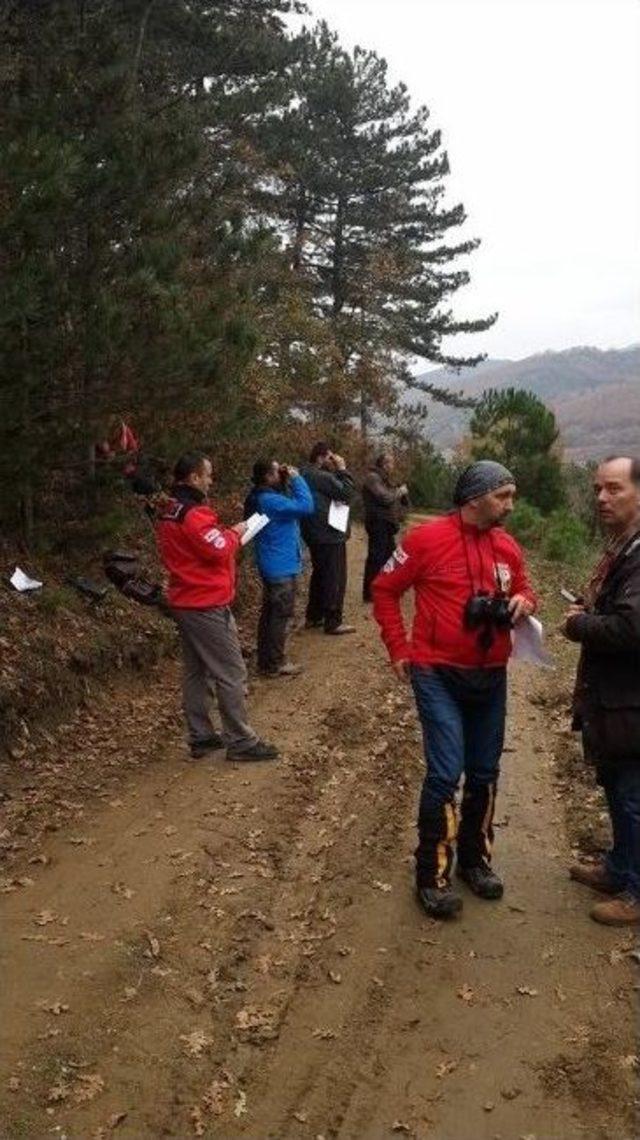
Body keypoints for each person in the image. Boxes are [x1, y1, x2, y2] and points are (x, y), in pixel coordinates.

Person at [372, 460, 537, 919]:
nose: (510, 503)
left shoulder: (507, 546)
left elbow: (525, 588)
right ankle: (431, 874)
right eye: (503, 495)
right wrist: (398, 648)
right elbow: (384, 589)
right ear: (474, 498)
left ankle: (475, 861)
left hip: (491, 675)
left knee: (484, 772)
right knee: (446, 772)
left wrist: (524, 602)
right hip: (437, 672)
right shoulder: (426, 540)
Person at [155, 452, 278, 763]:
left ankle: (202, 735)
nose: (211, 480)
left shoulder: (170, 509)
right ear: (194, 478)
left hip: (185, 599)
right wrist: (236, 532)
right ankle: (240, 740)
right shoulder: (194, 515)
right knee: (231, 671)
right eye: (207, 475)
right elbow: (219, 549)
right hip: (205, 602)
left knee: (196, 671)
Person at [563, 456, 640, 926]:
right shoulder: (625, 548)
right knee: (616, 784)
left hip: (633, 701)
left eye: (614, 489)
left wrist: (579, 625)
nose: (601, 498)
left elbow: (632, 627)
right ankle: (618, 868)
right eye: (597, 489)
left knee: (633, 794)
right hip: (615, 700)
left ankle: (635, 892)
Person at [244, 459, 314, 677]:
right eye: (276, 471)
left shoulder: (260, 497)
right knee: (279, 615)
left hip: (273, 563)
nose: (281, 473)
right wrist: (297, 479)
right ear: (267, 476)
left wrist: (285, 481)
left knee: (270, 614)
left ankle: (266, 661)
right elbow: (306, 507)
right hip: (279, 566)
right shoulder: (269, 501)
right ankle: (274, 663)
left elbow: (291, 505)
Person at [300, 442, 356, 635]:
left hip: (314, 532)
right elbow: (347, 492)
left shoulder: (304, 474)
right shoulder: (320, 476)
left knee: (320, 574)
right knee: (335, 577)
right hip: (329, 533)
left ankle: (314, 616)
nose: (333, 461)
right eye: (330, 457)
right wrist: (342, 469)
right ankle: (333, 621)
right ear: (321, 457)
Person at [362, 452, 409, 602]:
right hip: (377, 523)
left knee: (391, 558)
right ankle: (370, 593)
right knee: (376, 558)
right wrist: (399, 491)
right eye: (390, 463)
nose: (392, 466)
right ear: (383, 464)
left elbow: (399, 501)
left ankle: (387, 589)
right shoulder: (373, 478)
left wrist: (402, 495)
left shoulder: (384, 479)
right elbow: (385, 498)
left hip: (386, 524)